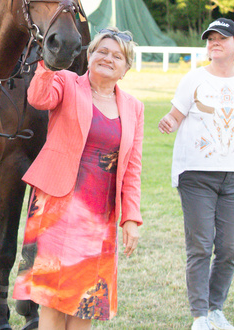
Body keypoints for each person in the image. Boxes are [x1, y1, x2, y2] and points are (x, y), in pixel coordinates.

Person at [14, 27, 144, 330]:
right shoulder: (68, 82)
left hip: (99, 215)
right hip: (56, 208)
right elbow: (38, 97)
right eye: (101, 51)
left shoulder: (134, 108)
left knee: (85, 301)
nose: (108, 58)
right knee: (53, 298)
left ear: (126, 69)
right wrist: (49, 62)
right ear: (89, 55)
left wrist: (131, 217)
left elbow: (133, 166)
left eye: (117, 56)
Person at [158, 18, 234, 330]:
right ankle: (200, 316)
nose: (214, 42)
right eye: (210, 38)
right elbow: (175, 114)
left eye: (222, 38)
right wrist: (169, 123)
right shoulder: (193, 79)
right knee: (200, 245)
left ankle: (215, 309)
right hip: (196, 174)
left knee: (228, 248)